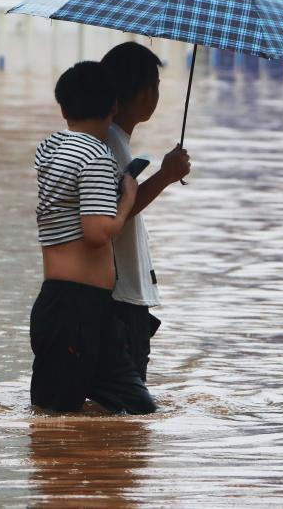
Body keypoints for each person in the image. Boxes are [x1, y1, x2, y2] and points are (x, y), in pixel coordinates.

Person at [29, 61, 157, 414]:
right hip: (76, 309)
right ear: (114, 106)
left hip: (77, 308)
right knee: (55, 419)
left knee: (135, 412)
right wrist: (127, 195)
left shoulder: (53, 148)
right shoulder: (96, 155)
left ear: (63, 107)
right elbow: (97, 233)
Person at [100, 42, 191, 382]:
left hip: (126, 297)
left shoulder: (114, 140)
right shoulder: (109, 143)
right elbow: (115, 214)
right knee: (129, 409)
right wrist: (166, 176)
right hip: (120, 300)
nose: (156, 93)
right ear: (141, 92)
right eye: (154, 84)